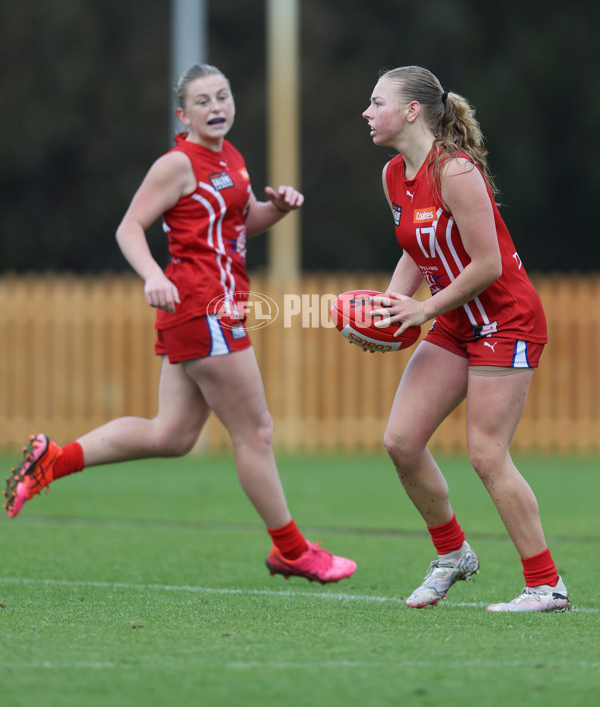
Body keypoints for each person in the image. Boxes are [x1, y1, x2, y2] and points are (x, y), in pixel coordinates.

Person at [3, 63, 356, 586]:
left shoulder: (230, 157)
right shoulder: (177, 164)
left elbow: (238, 224)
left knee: (170, 435)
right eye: (203, 101)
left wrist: (276, 209)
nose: (216, 107)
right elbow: (130, 226)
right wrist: (151, 275)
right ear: (183, 114)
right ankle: (293, 550)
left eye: (223, 96)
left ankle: (54, 460)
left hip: (208, 308)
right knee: (255, 432)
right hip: (201, 307)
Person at [361, 65, 568, 612]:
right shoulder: (393, 175)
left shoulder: (455, 172)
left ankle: (546, 584)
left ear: (411, 111)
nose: (367, 112)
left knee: (486, 454)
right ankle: (452, 555)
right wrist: (389, 309)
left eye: (377, 102)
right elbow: (416, 245)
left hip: (506, 317)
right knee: (401, 442)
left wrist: (422, 309)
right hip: (457, 322)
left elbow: (488, 265)